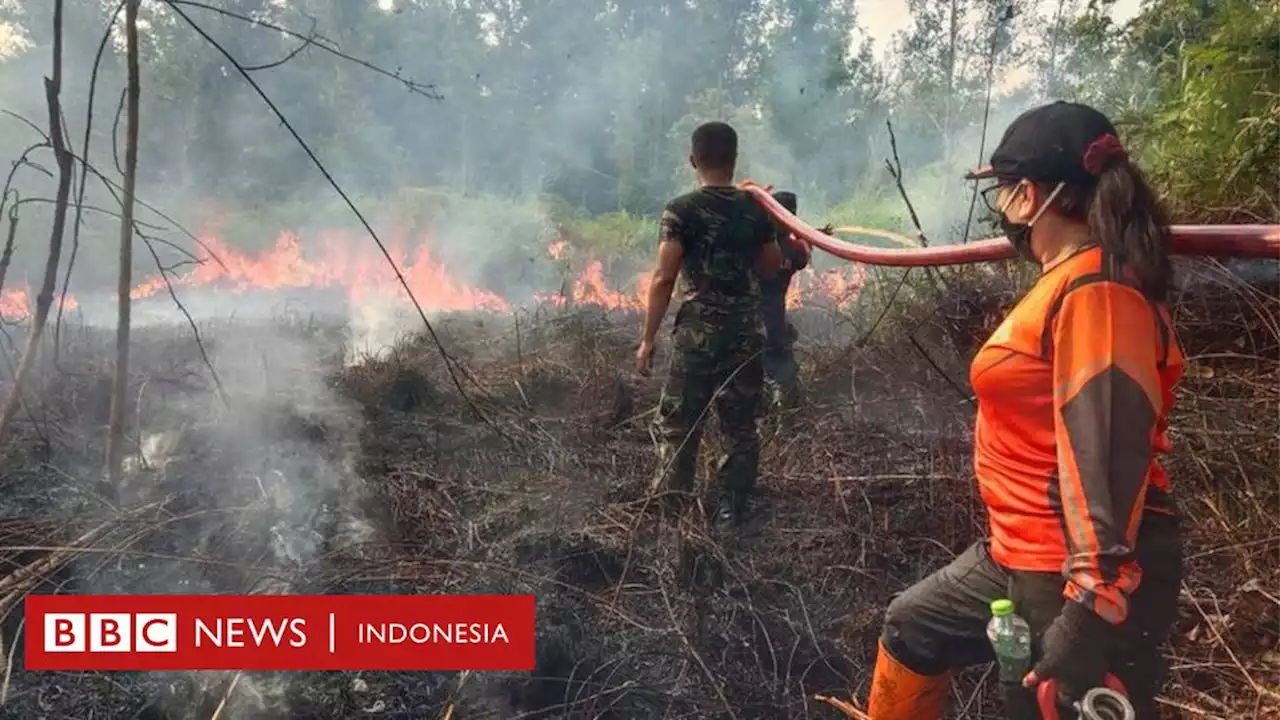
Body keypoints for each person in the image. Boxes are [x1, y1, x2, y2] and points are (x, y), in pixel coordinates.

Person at [860, 100, 1186, 720]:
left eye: (1003, 191)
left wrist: (1092, 602)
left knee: (1043, 706)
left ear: (1029, 196)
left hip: (1074, 569)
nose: (1001, 207)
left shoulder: (1101, 293)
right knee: (914, 624)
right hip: (1019, 548)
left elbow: (1110, 449)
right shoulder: (1068, 278)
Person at [634, 121, 784, 528]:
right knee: (739, 424)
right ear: (734, 160)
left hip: (697, 335)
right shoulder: (757, 209)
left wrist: (648, 339)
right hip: (745, 332)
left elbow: (664, 278)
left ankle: (673, 515)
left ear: (692, 160)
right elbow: (771, 267)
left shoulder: (680, 210)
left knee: (680, 422)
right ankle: (730, 512)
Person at [759, 191, 831, 410]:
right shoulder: (794, 252)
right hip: (774, 324)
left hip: (746, 324)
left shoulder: (752, 248)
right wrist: (811, 236)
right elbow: (803, 250)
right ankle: (785, 415)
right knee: (784, 375)